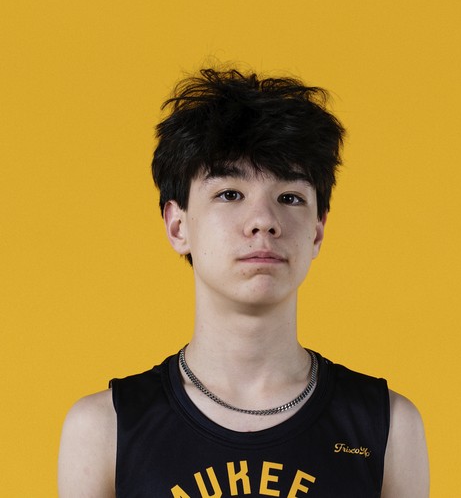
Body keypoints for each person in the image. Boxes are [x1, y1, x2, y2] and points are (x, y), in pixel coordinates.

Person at [58, 68, 429, 497]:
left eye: (289, 197)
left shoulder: (387, 426)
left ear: (317, 232)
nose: (264, 221)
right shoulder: (105, 429)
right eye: (230, 194)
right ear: (178, 225)